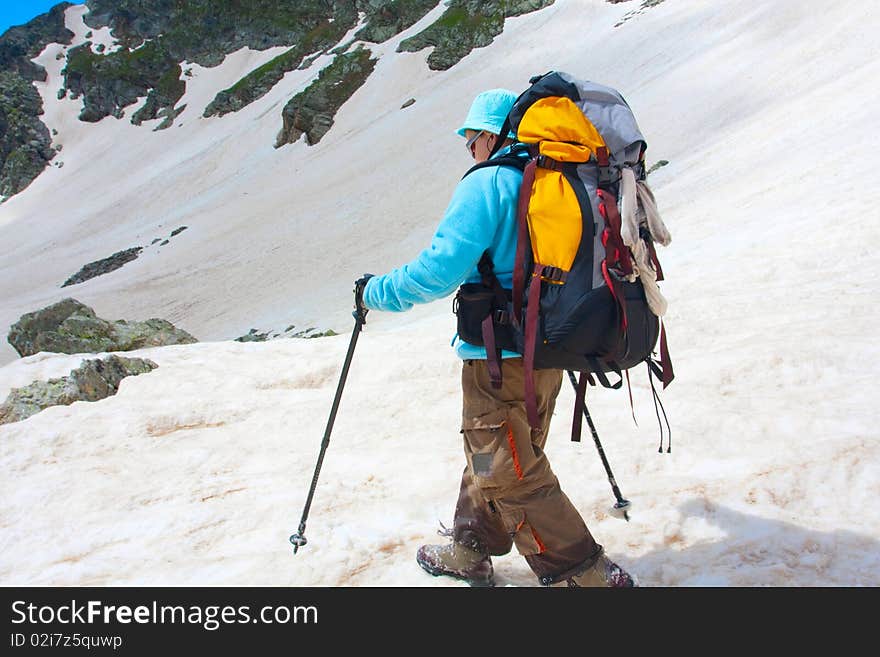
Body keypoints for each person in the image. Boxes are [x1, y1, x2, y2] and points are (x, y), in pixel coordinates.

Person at [356, 88, 635, 588]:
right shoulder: (559, 182)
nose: (471, 150)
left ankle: (582, 572)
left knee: (507, 467)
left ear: (491, 135)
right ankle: (471, 548)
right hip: (549, 351)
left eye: (472, 140)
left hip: (498, 357)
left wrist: (375, 293)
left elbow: (439, 271)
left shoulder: (490, 184)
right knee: (498, 452)